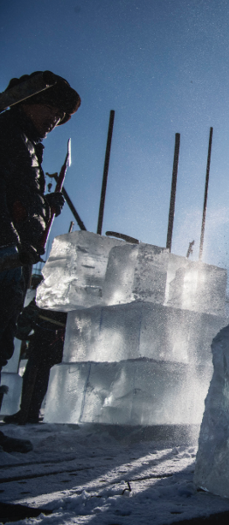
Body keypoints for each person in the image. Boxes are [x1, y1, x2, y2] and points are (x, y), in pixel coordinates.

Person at [0, 71, 79, 452]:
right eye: (52, 109)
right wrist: (11, 242)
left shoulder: (29, 147)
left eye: (61, 116)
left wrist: (45, 206)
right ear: (29, 99)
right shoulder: (8, 135)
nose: (55, 119)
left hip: (14, 259)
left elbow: (19, 201)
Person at [4, 277, 66, 426]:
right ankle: (29, 411)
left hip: (44, 336)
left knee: (35, 374)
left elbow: (32, 310)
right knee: (42, 375)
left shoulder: (49, 284)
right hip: (57, 337)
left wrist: (22, 332)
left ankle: (28, 412)